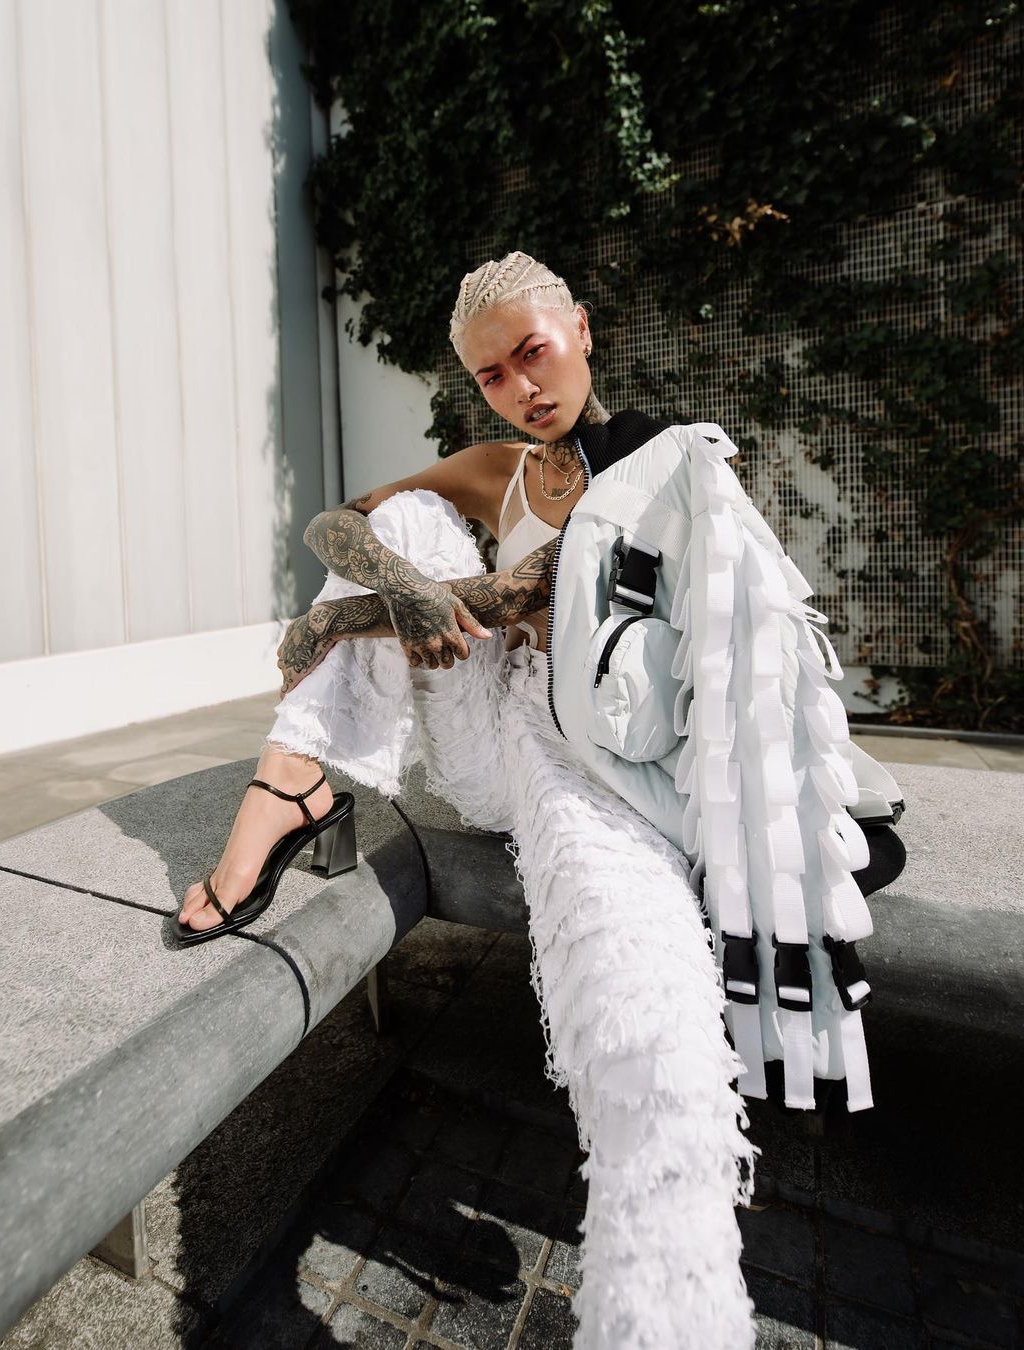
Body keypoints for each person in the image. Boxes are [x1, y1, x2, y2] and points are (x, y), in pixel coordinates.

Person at [177, 251, 768, 1347]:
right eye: (493, 375)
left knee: (646, 1012)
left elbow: (535, 595)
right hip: (491, 732)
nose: (522, 387)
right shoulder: (502, 467)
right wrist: (402, 586)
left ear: (581, 328)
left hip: (600, 762)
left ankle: (665, 1309)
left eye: (533, 353)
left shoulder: (661, 460)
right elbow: (336, 524)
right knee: (402, 524)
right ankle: (291, 778)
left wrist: (331, 620)